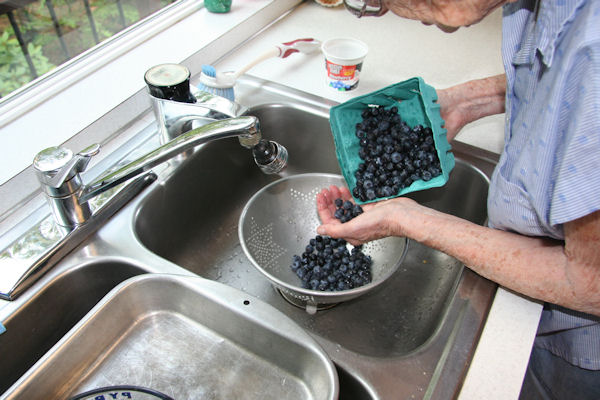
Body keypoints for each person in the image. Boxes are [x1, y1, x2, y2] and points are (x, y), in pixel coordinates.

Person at [317, 0, 600, 398]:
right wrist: (466, 101)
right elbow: (563, 80)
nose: (414, 14)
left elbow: (590, 283)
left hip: (575, 350)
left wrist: (411, 220)